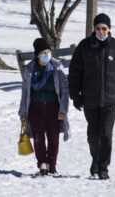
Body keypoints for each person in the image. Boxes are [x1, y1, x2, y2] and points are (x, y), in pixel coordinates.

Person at [68, 13, 115, 180]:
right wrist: (75, 95)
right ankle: (95, 160)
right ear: (94, 29)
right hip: (90, 98)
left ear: (109, 29)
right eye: (98, 28)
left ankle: (103, 167)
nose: (101, 31)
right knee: (93, 134)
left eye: (104, 28)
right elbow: (75, 72)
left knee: (105, 134)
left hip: (110, 100)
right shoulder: (84, 46)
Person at [18, 38, 71, 176]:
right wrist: (23, 112)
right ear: (37, 55)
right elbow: (25, 92)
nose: (46, 54)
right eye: (43, 52)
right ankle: (42, 163)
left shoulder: (57, 67)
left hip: (53, 106)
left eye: (48, 51)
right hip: (35, 107)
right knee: (38, 136)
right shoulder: (30, 69)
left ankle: (52, 164)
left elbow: (64, 91)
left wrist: (63, 110)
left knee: (53, 137)